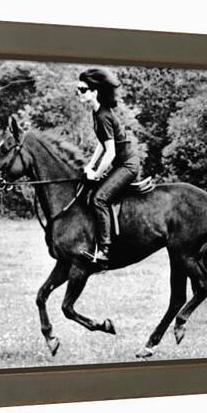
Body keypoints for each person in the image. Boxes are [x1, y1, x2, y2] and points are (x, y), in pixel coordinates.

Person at [77, 68, 141, 265]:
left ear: (95, 92)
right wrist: (90, 165)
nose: (79, 92)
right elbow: (102, 144)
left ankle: (105, 249)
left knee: (99, 199)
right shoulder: (97, 113)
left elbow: (111, 152)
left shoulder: (103, 116)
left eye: (83, 89)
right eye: (78, 89)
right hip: (121, 163)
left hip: (128, 165)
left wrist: (96, 173)